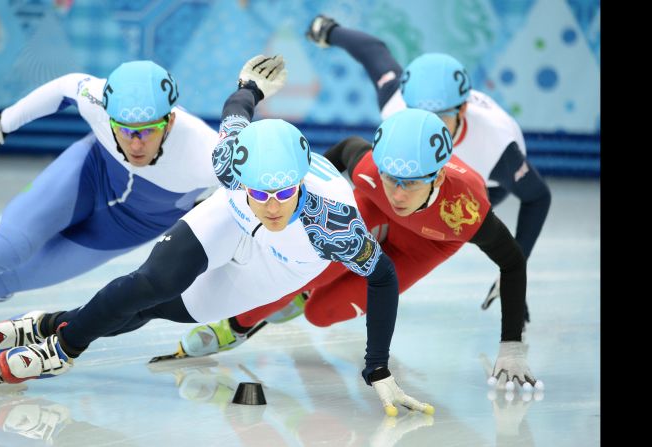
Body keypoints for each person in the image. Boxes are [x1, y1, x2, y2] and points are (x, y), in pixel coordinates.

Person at [0, 55, 432, 416]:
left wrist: (377, 368)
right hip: (229, 216)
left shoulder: (332, 224)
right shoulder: (230, 162)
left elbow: (383, 277)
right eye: (259, 191)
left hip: (285, 263)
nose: (270, 203)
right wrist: (250, 85)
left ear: (299, 184)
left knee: (157, 309)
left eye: (283, 191)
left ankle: (49, 322)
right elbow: (237, 109)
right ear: (240, 175)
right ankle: (63, 347)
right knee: (151, 282)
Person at [177, 75, 542, 390]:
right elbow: (331, 158)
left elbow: (512, 263)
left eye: (411, 184)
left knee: (321, 313)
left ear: (439, 177)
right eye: (391, 179)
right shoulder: (367, 167)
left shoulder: (465, 208)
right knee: (309, 267)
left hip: (427, 245)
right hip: (371, 209)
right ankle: (238, 325)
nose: (398, 194)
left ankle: (305, 298)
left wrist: (511, 345)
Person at [0, 60, 220, 325]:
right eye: (123, 129)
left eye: (147, 130)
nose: (135, 144)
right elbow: (64, 86)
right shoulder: (97, 99)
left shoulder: (206, 152)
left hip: (131, 227)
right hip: (88, 175)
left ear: (169, 122)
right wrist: (3, 123)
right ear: (109, 115)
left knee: (1, 284)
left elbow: (251, 194)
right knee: (8, 247)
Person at [310, 15, 551, 314]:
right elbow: (373, 51)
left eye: (438, 118)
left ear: (463, 109)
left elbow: (538, 197)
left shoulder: (496, 147)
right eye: (415, 114)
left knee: (418, 229)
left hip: (479, 186)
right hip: (414, 181)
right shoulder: (396, 99)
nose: (425, 127)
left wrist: (516, 269)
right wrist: (329, 31)